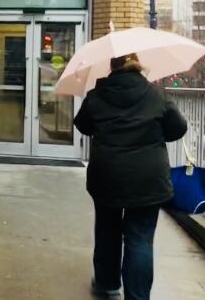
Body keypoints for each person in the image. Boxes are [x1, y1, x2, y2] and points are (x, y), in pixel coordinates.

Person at [74, 53, 187, 300]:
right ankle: (137, 296)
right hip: (148, 178)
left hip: (107, 176)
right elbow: (178, 128)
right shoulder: (156, 94)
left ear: (111, 67)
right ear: (137, 65)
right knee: (140, 237)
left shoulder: (97, 95)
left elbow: (82, 125)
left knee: (107, 230)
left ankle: (107, 284)